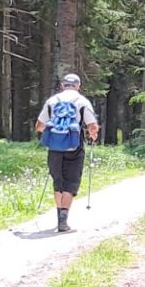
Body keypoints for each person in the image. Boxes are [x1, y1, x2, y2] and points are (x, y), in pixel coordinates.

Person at [36, 72, 99, 233]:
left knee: (58, 181)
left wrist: (55, 134)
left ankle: (59, 217)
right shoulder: (82, 101)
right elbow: (92, 125)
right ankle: (63, 221)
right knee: (70, 182)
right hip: (74, 146)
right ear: (78, 86)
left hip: (54, 148)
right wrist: (93, 135)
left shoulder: (52, 101)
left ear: (62, 86)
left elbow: (39, 126)